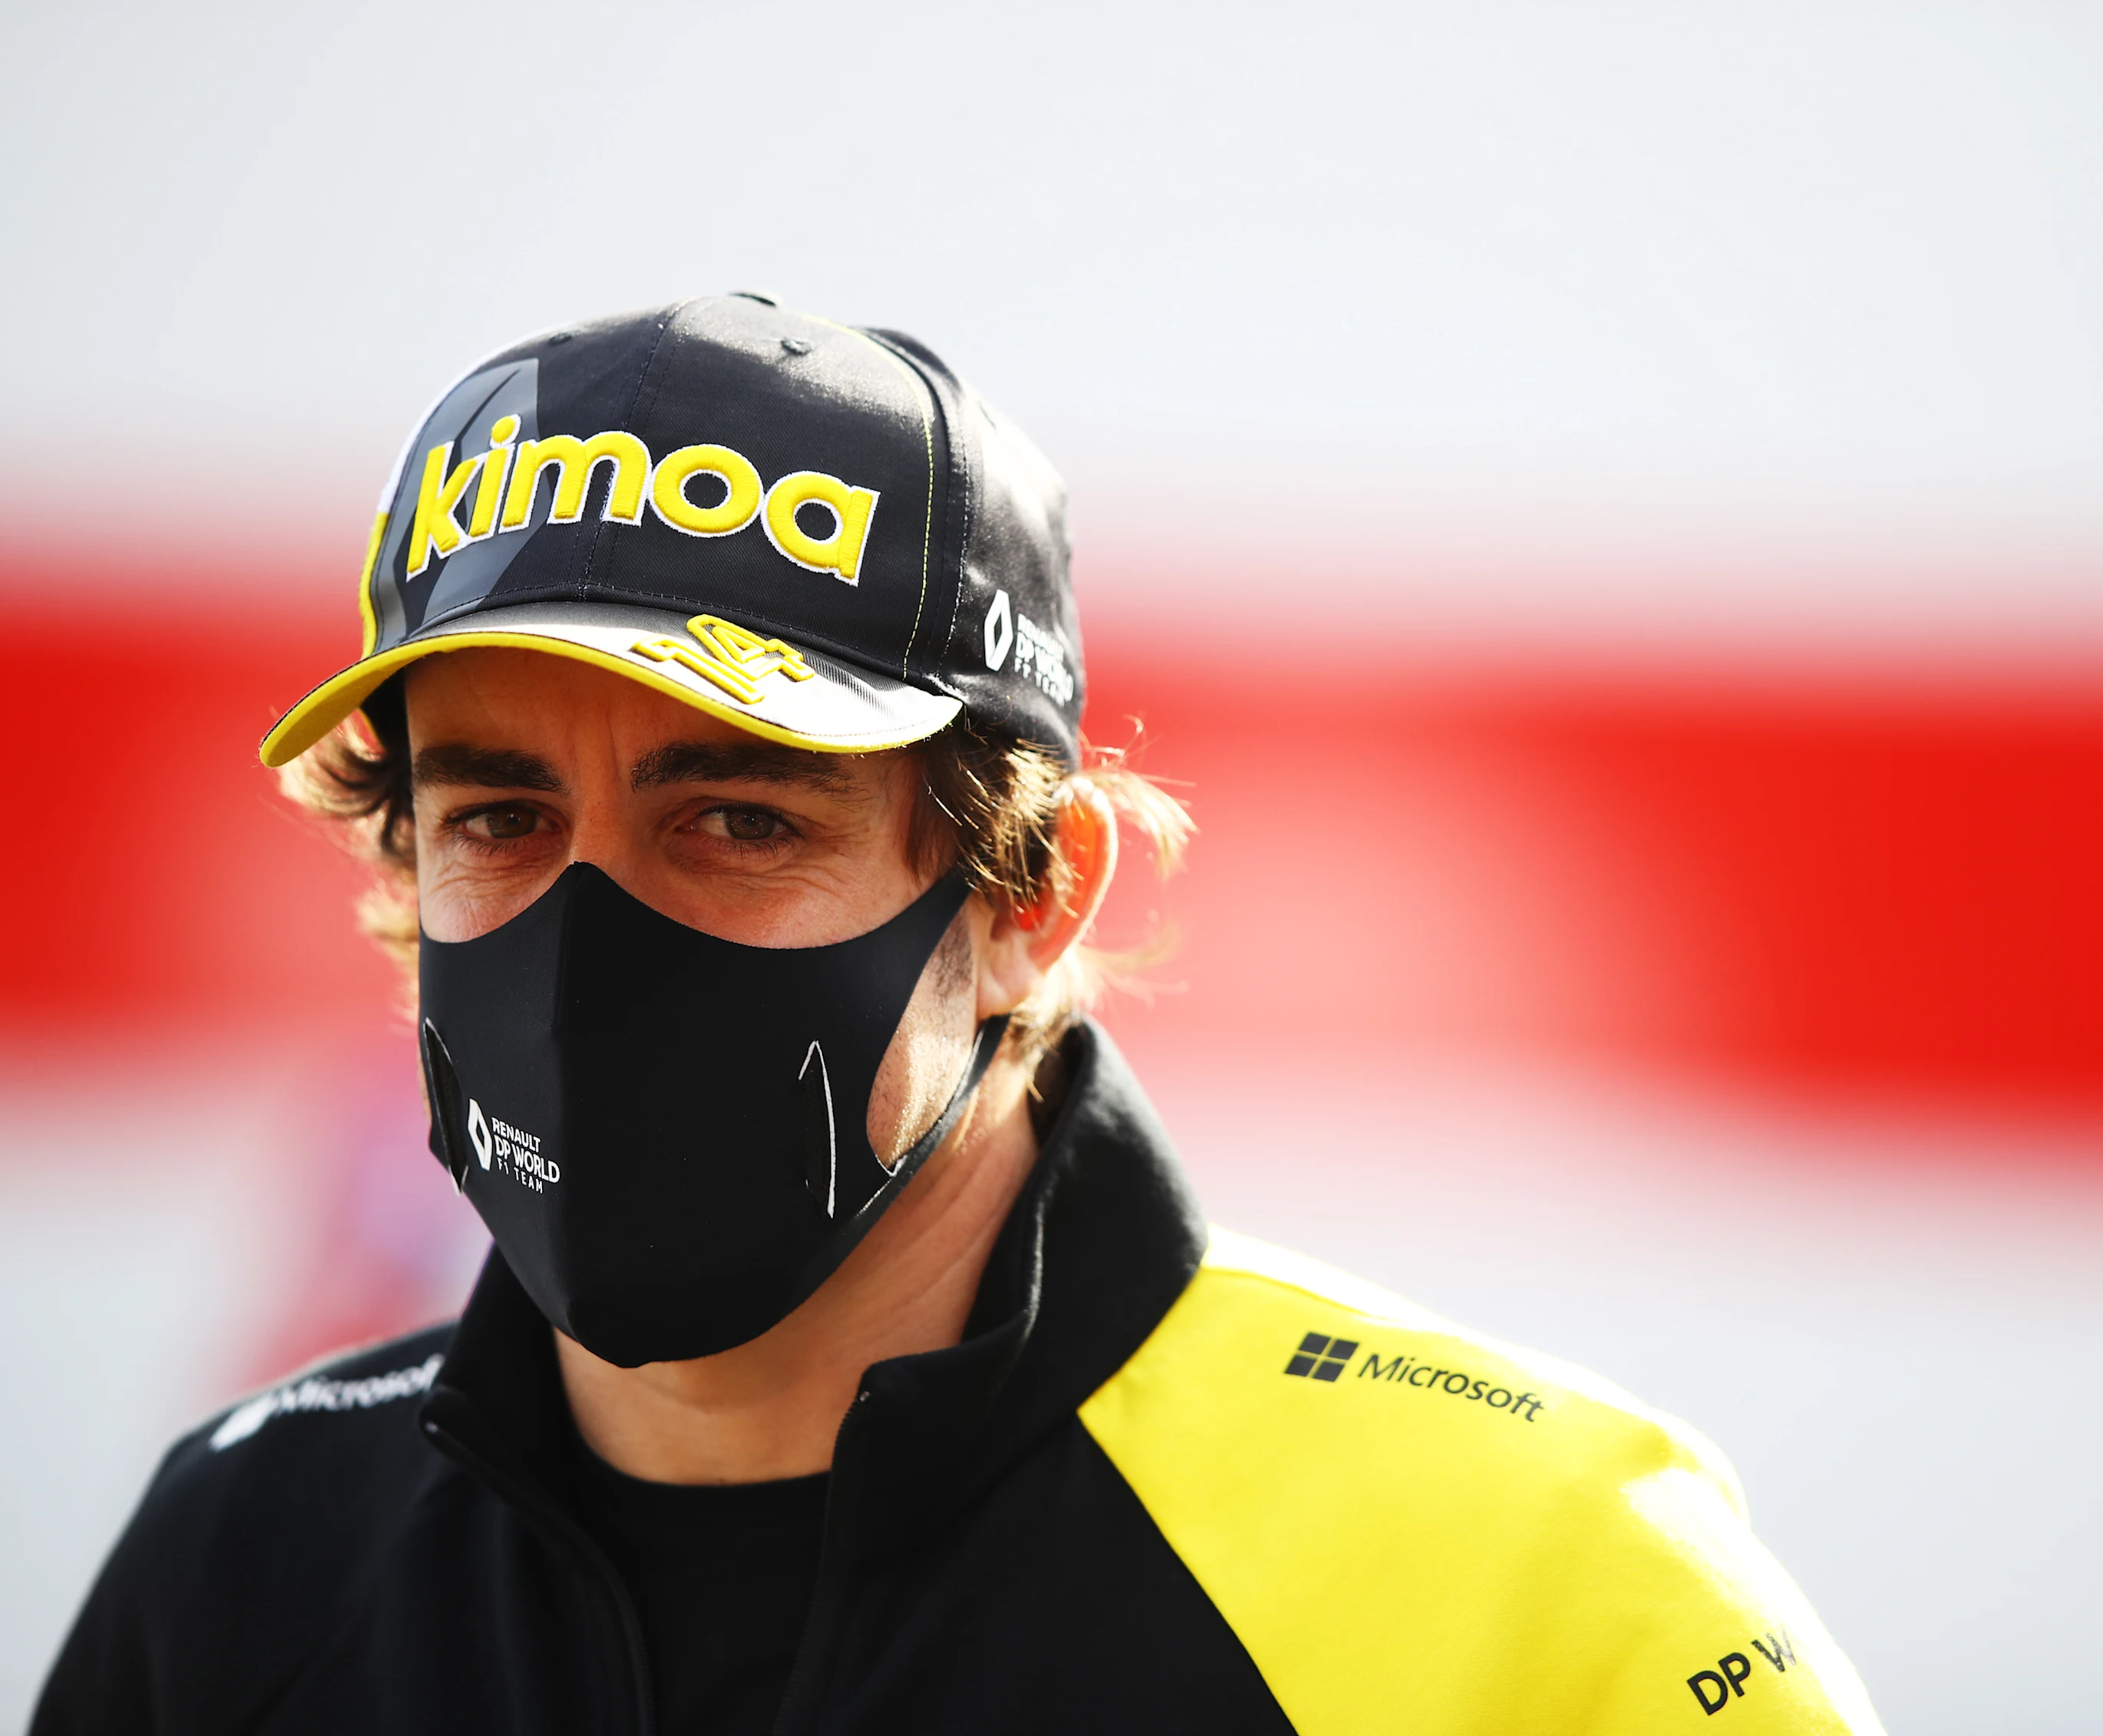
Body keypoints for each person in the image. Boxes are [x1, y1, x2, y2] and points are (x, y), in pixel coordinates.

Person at [35, 295, 1885, 1734]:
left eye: (738, 815)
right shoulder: (245, 1561)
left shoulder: (1537, 1590)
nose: (589, 938)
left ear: (1029, 894)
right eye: (500, 818)